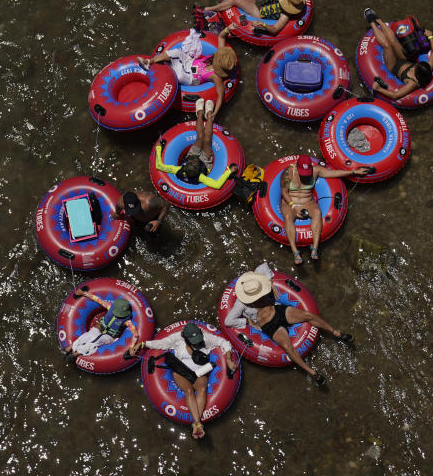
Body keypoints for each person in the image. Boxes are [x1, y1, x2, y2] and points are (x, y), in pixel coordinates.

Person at [224, 263, 352, 385]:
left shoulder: (259, 282)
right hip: (269, 325)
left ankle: (337, 333)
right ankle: (313, 373)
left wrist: (269, 282)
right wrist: (248, 321)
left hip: (277, 310)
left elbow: (263, 266)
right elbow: (228, 321)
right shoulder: (240, 304)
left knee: (308, 315)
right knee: (286, 346)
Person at [132, 322, 237, 440]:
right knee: (188, 390)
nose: (197, 342)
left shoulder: (206, 338)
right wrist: (142, 344)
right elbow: (161, 344)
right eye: (194, 340)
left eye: (198, 339)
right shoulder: (177, 338)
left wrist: (228, 359)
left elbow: (225, 343)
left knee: (202, 388)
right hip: (181, 370)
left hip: (199, 372)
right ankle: (198, 424)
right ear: (185, 337)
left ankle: (196, 424)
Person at [281, 154, 371, 265]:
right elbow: (284, 192)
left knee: (318, 212)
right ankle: (295, 251)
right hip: (290, 203)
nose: (305, 175)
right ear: (297, 167)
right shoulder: (288, 172)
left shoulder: (315, 170)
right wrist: (293, 206)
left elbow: (333, 173)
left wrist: (354, 172)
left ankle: (314, 247)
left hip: (307, 202)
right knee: (288, 217)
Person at [137, 23, 238, 120]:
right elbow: (221, 37)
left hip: (191, 78)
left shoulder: (216, 76)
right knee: (177, 52)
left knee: (180, 75)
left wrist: (215, 113)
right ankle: (149, 61)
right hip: (190, 62)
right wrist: (228, 28)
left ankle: (163, 73)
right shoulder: (218, 55)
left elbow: (221, 95)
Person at [154, 98, 238, 189]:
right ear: (198, 170)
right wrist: (228, 172)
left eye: (191, 162)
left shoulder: (178, 170)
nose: (196, 160)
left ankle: (200, 113)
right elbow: (217, 185)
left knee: (200, 137)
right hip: (205, 163)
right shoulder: (200, 177)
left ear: (185, 166)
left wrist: (158, 149)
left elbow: (159, 166)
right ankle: (209, 115)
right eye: (195, 162)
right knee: (207, 140)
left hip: (191, 155)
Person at [364, 9, 433, 101]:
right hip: (404, 59)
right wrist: (430, 36)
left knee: (387, 46)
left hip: (393, 67)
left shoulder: (413, 83)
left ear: (418, 74)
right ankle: (378, 20)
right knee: (393, 41)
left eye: (416, 68)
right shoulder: (428, 68)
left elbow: (395, 96)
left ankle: (371, 22)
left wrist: (379, 89)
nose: (414, 67)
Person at [63, 287, 139, 361]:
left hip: (110, 336)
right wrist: (84, 293)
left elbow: (135, 334)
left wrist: (132, 347)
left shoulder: (127, 321)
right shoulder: (109, 307)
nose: (116, 315)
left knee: (96, 339)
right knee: (89, 335)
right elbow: (97, 299)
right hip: (101, 326)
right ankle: (71, 347)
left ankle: (76, 353)